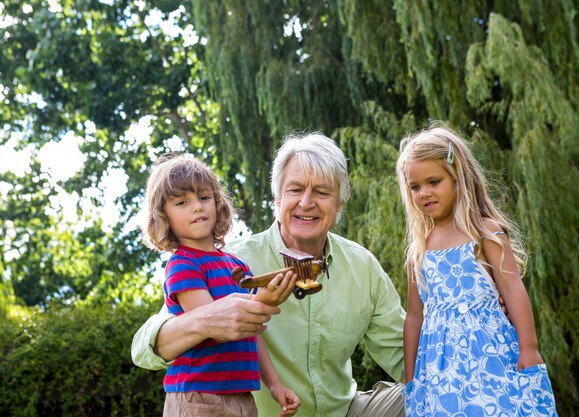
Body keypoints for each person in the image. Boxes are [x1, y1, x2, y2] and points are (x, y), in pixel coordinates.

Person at [132, 133, 407, 417]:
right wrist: (207, 320)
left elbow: (403, 353)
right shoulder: (231, 261)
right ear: (276, 197)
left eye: (322, 192)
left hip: (345, 411)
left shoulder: (362, 265)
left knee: (425, 392)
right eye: (295, 189)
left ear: (340, 203)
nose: (307, 202)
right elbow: (143, 348)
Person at [396, 123, 558, 416]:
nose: (424, 193)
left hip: (492, 359)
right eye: (415, 186)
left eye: (434, 182)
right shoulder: (418, 252)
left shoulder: (484, 234)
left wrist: (529, 348)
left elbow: (512, 289)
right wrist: (411, 379)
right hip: (438, 372)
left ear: (458, 178)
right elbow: (414, 317)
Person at [142, 154, 300, 417]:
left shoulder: (237, 265)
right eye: (182, 202)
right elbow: (215, 324)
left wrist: (274, 384)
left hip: (242, 395)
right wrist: (263, 301)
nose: (197, 207)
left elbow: (252, 331)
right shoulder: (183, 265)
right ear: (163, 216)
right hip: (198, 397)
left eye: (204, 197)